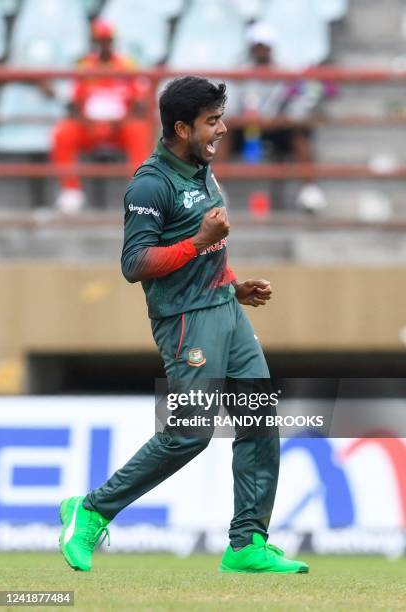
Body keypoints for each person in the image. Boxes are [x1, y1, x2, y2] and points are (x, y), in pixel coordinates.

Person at [58, 76, 309, 575]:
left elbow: (210, 244)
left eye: (221, 117)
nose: (222, 128)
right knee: (190, 433)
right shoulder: (151, 182)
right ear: (180, 127)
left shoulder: (202, 169)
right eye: (212, 121)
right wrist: (197, 243)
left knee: (258, 419)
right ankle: (91, 510)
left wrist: (233, 284)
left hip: (225, 311)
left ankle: (247, 543)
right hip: (186, 322)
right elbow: (134, 264)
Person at [226, 21, 337, 212]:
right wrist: (246, 119)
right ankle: (217, 191)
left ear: (272, 47)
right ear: (251, 47)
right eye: (258, 46)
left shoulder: (288, 71)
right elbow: (229, 106)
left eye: (265, 46)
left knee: (299, 134)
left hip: (277, 127)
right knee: (222, 133)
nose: (261, 50)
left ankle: (310, 192)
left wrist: (281, 120)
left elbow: (297, 104)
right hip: (246, 127)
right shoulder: (239, 71)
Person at [52, 19, 152, 214]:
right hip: (89, 126)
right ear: (94, 42)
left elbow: (140, 102)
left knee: (139, 129)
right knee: (63, 132)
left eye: (107, 40)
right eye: (100, 40)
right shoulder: (83, 66)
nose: (104, 44)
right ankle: (71, 191)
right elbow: (73, 103)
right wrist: (84, 120)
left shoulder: (127, 65)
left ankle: (140, 195)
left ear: (113, 41)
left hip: (119, 127)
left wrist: (125, 119)